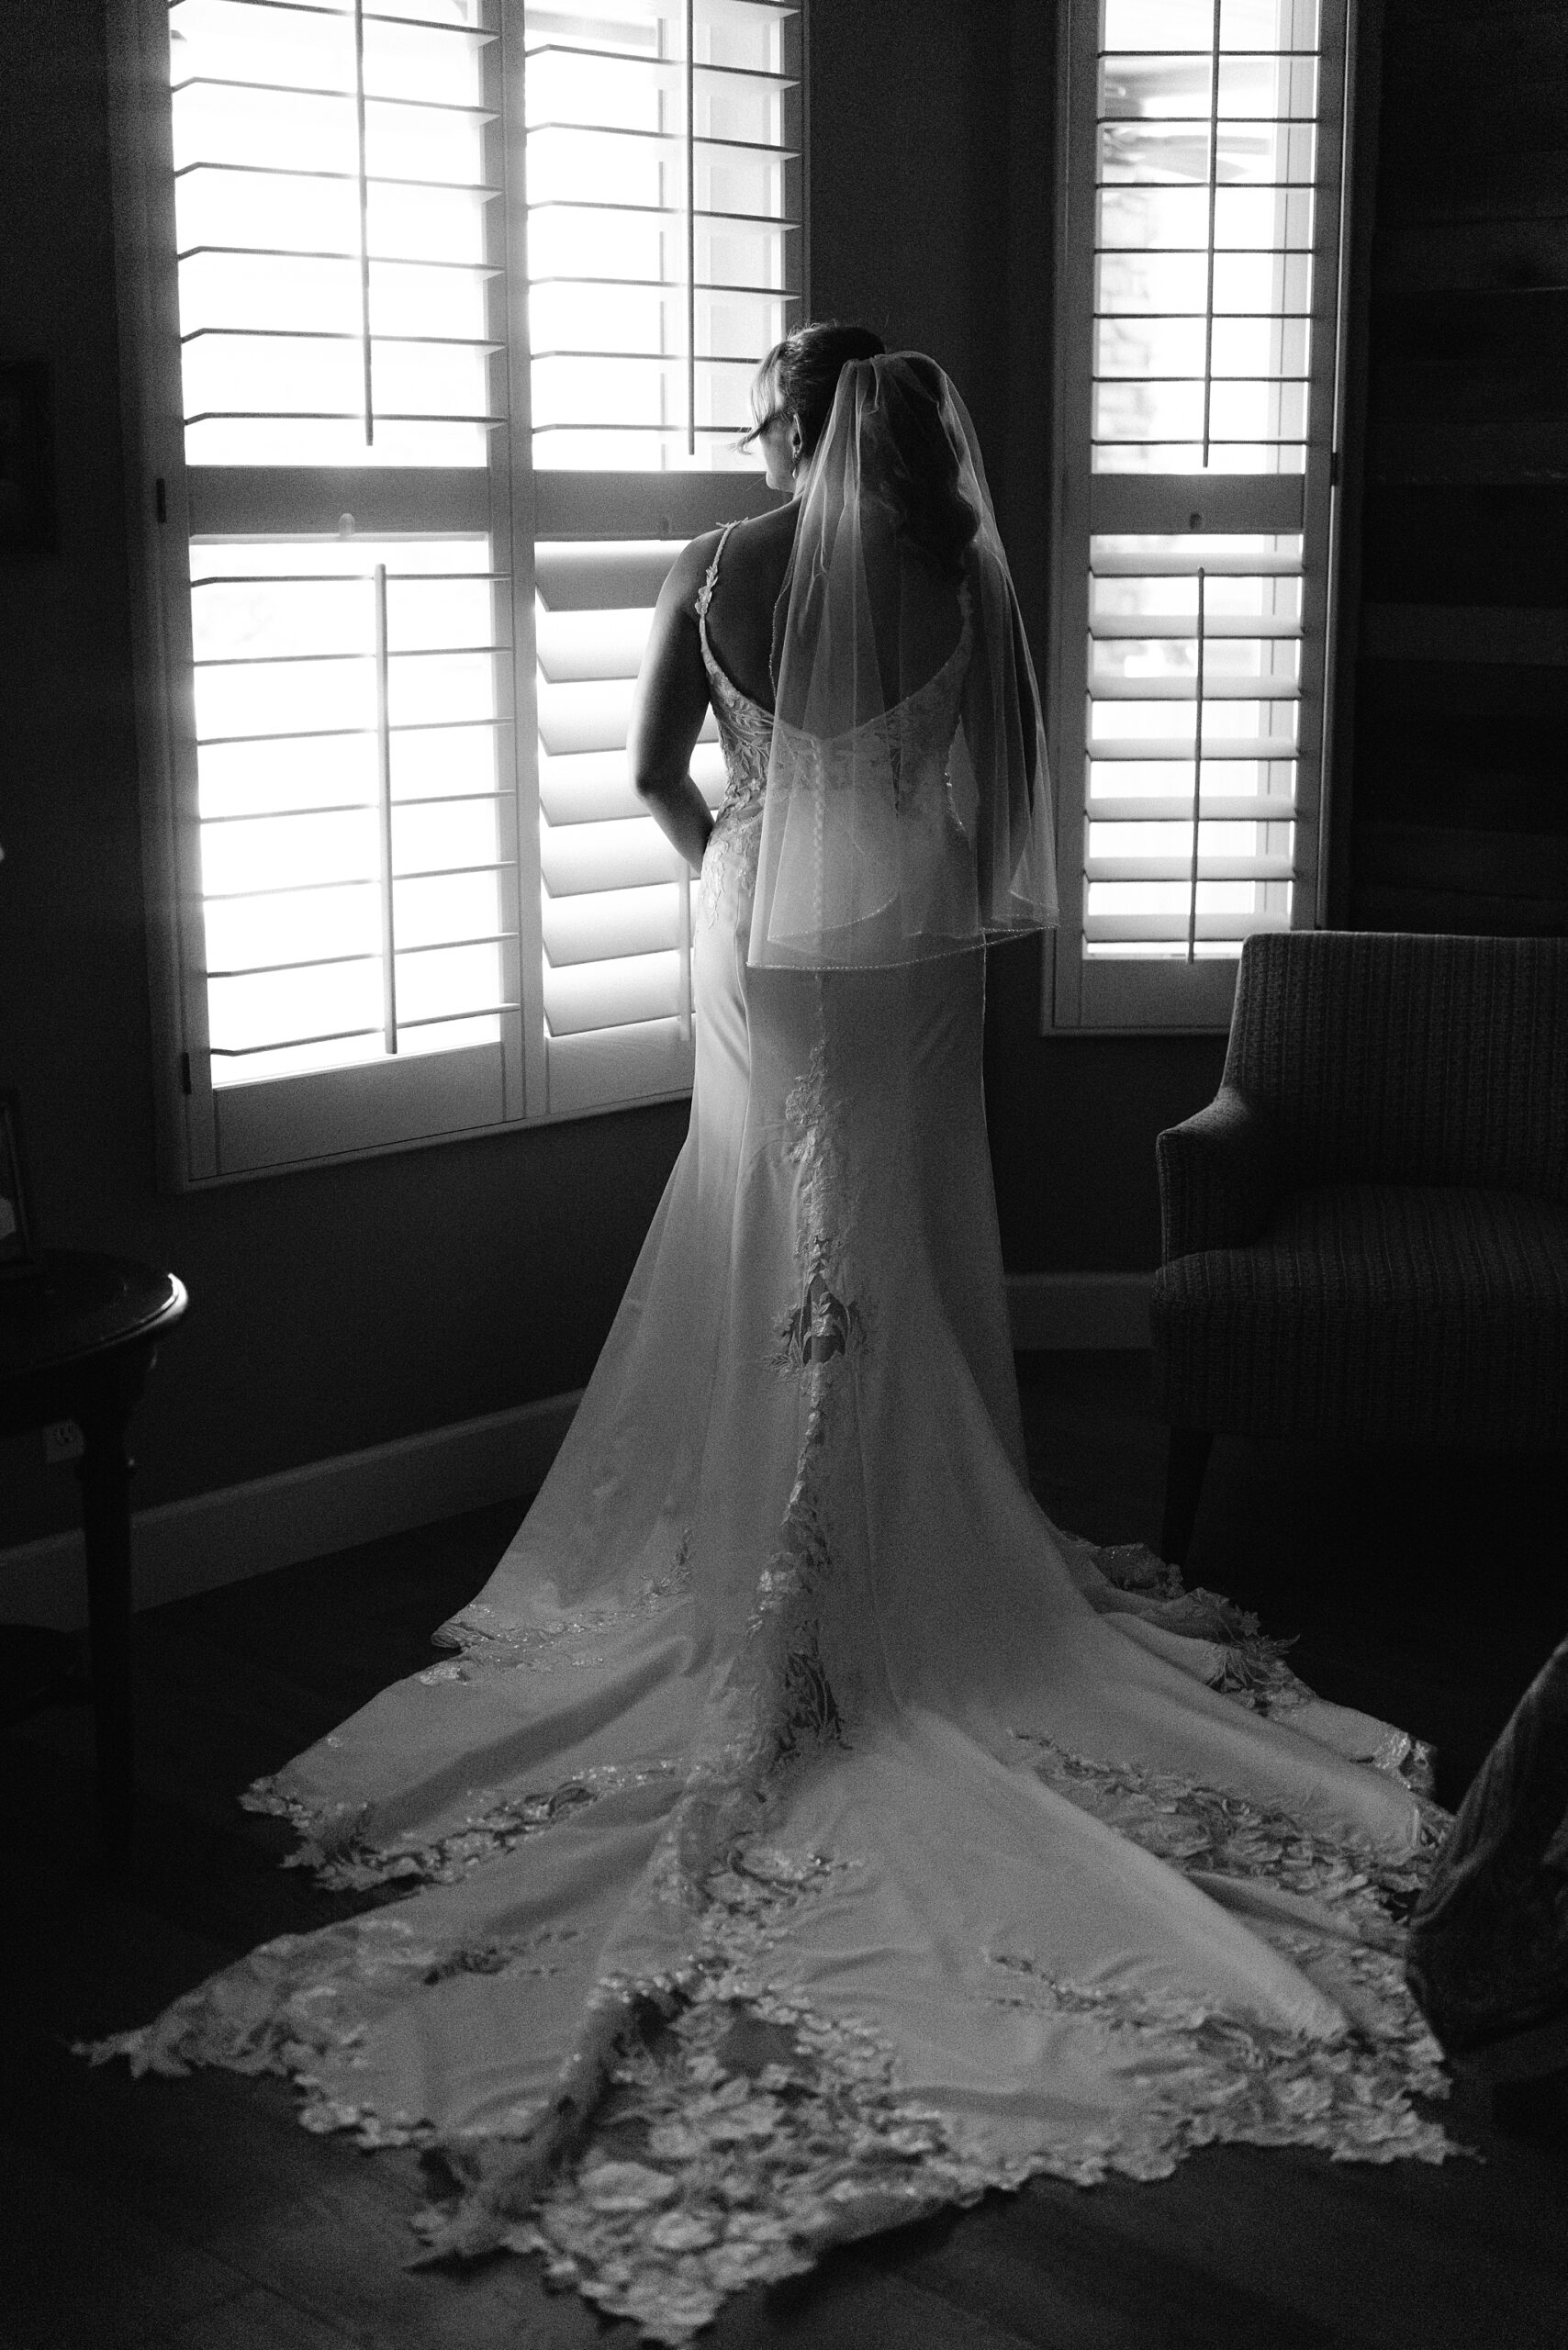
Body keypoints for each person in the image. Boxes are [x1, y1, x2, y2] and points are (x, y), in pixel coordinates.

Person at [95, 328, 1452, 2344]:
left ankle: (771, 1529)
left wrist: (744, 858)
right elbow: (996, 816)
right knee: (883, 1239)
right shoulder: (968, 582)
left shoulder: (710, 565)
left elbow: (657, 771)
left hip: (763, 940)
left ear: (780, 428)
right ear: (898, 435)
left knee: (762, 1228)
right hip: (903, 946)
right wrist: (876, 838)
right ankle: (892, 1536)